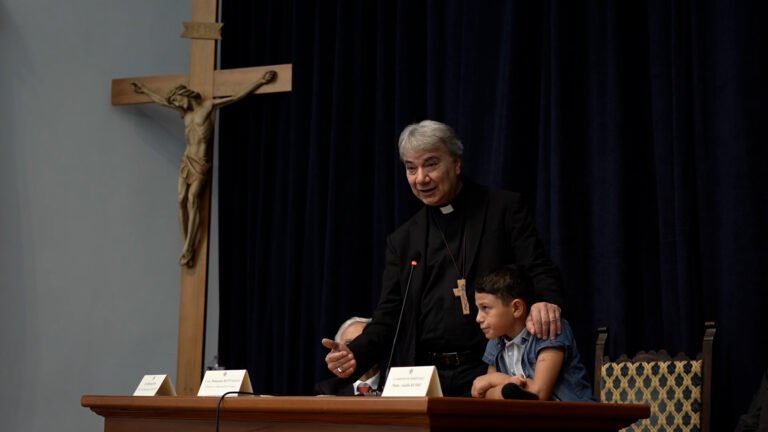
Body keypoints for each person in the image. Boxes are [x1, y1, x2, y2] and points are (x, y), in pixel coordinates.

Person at [322, 120, 564, 396]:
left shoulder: (502, 210)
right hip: (425, 376)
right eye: (411, 168)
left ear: (456, 163)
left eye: (431, 164)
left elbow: (538, 268)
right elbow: (389, 316)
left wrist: (546, 301)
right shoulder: (404, 240)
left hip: (490, 369)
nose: (421, 178)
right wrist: (355, 353)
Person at [130, 70, 276, 267]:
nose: (177, 105)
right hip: (186, 160)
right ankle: (186, 245)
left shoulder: (207, 107)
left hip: (200, 162)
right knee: (181, 199)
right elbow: (162, 101)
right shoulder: (185, 113)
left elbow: (235, 97)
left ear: (186, 95)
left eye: (179, 100)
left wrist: (259, 80)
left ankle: (189, 247)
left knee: (193, 200)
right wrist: (144, 90)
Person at [470, 264, 592, 401]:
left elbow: (538, 394)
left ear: (516, 308)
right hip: (532, 420)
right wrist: (506, 388)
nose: (478, 318)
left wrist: (499, 380)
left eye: (485, 308)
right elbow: (485, 395)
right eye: (478, 309)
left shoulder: (549, 328)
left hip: (575, 418)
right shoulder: (496, 340)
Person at [315, 317, 381, 396]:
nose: (358, 349)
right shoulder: (327, 389)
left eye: (365, 343)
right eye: (349, 343)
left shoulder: (395, 384)